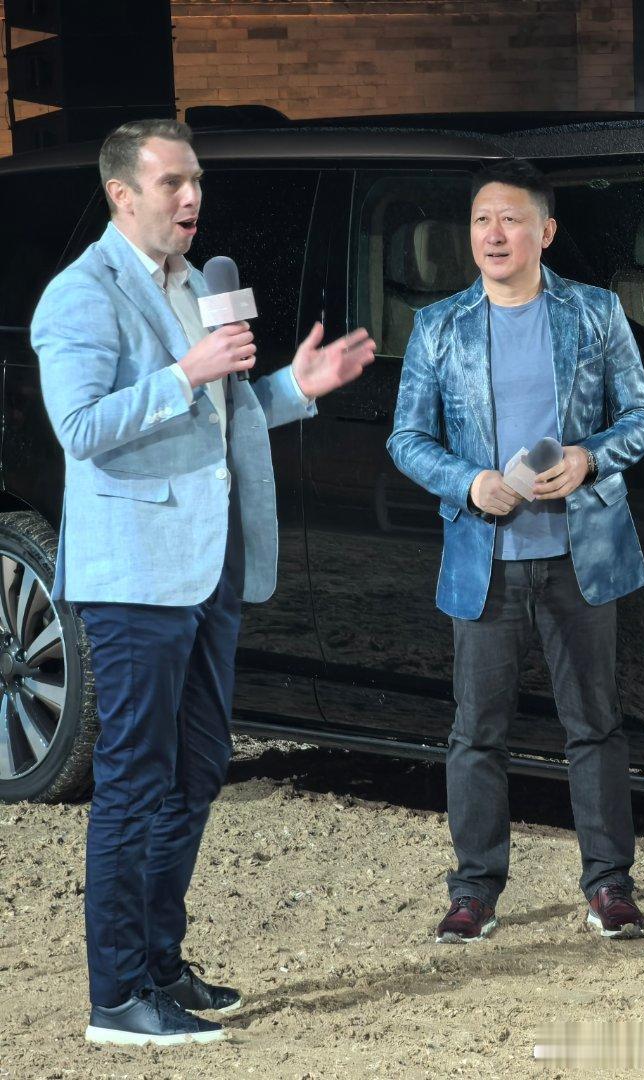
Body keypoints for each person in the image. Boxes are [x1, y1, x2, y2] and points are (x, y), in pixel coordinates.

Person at [31, 120, 376, 1047]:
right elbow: (80, 427)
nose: (192, 197)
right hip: (135, 576)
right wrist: (186, 371)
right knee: (134, 779)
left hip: (208, 565)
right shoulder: (81, 295)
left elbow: (221, 416)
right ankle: (116, 1000)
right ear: (122, 194)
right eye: (172, 183)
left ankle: (159, 964)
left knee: (195, 769)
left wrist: (296, 387)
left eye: (196, 181)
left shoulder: (195, 284)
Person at [386, 160, 644, 945]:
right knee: (477, 732)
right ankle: (474, 891)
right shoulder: (440, 327)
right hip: (487, 563)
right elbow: (407, 439)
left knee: (595, 726)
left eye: (511, 219)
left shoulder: (596, 312)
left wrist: (590, 458)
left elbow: (643, 416)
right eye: (482, 220)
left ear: (546, 231)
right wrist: (470, 483)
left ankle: (609, 885)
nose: (494, 234)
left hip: (582, 556)